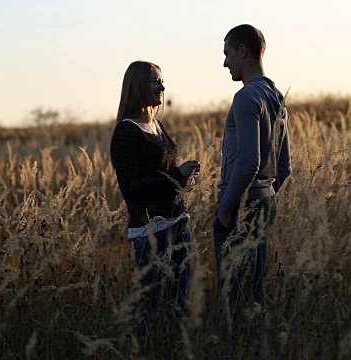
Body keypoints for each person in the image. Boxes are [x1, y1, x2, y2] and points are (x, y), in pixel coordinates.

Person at [110, 60, 200, 338]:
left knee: (182, 299)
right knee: (149, 304)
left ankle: (178, 346)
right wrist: (175, 175)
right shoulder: (127, 130)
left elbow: (163, 172)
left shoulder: (157, 125)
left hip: (178, 221)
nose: (162, 86)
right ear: (138, 86)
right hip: (151, 230)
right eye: (155, 81)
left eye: (161, 81)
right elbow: (131, 187)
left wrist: (183, 178)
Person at [214, 24, 292, 330]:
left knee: (234, 296)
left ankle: (238, 346)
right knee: (254, 291)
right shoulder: (276, 96)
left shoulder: (246, 98)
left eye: (227, 54)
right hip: (264, 200)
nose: (225, 63)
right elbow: (284, 166)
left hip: (240, 205)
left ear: (243, 51)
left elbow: (249, 161)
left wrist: (225, 208)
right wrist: (266, 196)